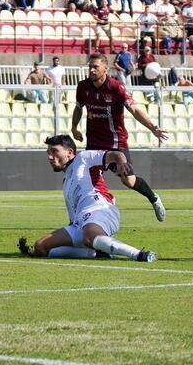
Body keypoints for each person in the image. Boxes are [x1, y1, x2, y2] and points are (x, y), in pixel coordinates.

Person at [18, 135, 157, 262]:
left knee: (89, 236)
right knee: (40, 247)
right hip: (79, 224)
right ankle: (98, 253)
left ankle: (139, 254)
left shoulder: (83, 158)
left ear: (70, 152)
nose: (50, 156)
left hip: (101, 210)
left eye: (54, 151)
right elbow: (73, 217)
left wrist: (121, 161)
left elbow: (115, 154)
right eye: (48, 153)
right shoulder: (66, 183)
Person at [71, 53, 169, 221]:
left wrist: (153, 127)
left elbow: (134, 109)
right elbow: (79, 107)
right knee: (85, 178)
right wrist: (74, 127)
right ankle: (80, 218)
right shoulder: (83, 87)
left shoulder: (116, 87)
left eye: (95, 67)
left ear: (105, 68)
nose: (92, 70)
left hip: (116, 143)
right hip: (94, 143)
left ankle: (154, 198)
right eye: (90, 67)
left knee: (128, 180)